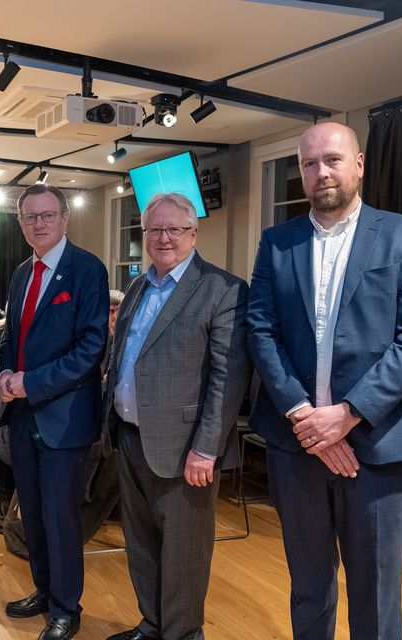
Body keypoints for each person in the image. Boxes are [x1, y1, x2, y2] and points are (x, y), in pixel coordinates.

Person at [246, 121, 402, 640]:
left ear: (358, 164)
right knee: (308, 586)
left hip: (381, 444)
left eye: (332, 160)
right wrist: (303, 416)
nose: (320, 172)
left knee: (376, 594)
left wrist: (348, 413)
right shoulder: (277, 242)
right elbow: (260, 330)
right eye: (309, 164)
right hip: (298, 444)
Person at [102, 193, 251, 640]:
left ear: (193, 233)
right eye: (154, 230)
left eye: (174, 229)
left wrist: (207, 448)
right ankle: (152, 625)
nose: (163, 238)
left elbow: (229, 378)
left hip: (185, 447)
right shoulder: (137, 286)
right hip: (129, 437)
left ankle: (183, 634)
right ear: (144, 235)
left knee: (184, 552)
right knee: (142, 542)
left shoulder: (223, 289)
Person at [0, 184, 109, 640]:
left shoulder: (88, 270)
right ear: (21, 224)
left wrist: (30, 383)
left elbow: (91, 348)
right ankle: (43, 591)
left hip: (64, 419)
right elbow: (11, 339)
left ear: (65, 218)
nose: (38, 223)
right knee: (34, 514)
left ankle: (66, 607)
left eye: (47, 215)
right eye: (29, 217)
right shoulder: (22, 273)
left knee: (61, 518)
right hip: (23, 416)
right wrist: (6, 374)